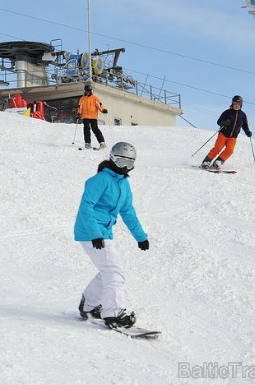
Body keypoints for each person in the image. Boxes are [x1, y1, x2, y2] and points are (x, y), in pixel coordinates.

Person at [74, 142, 149, 329]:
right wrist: (95, 233)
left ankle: (89, 306)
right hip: (91, 231)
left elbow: (128, 212)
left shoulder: (124, 184)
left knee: (109, 270)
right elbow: (86, 206)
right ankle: (113, 313)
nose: (125, 167)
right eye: (122, 161)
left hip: (103, 232)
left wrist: (140, 236)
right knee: (114, 272)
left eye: (129, 163)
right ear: (113, 158)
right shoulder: (100, 180)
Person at [200, 95, 253, 171]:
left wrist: (247, 132)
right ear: (232, 104)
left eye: (238, 104)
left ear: (241, 105)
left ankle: (217, 162)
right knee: (217, 148)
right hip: (223, 134)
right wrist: (224, 123)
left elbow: (245, 125)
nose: (236, 106)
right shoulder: (227, 112)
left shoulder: (243, 115)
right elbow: (218, 121)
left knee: (230, 150)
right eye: (235, 104)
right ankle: (206, 162)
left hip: (233, 137)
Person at [77, 83, 108, 149]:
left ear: (91, 91)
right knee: (86, 129)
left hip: (93, 116)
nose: (88, 92)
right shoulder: (82, 99)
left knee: (95, 129)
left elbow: (99, 105)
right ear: (84, 91)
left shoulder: (95, 98)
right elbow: (80, 107)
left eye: (89, 91)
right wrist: (79, 114)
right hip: (85, 116)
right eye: (86, 91)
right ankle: (87, 143)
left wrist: (103, 110)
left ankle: (102, 143)